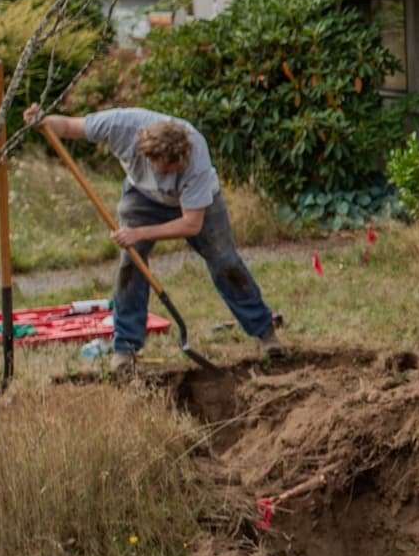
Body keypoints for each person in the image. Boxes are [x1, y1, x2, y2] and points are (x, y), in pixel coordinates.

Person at [23, 104, 281, 373]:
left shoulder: (196, 153)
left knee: (224, 260)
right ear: (147, 156)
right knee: (130, 266)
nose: (171, 174)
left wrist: (138, 233)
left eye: (176, 168)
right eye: (166, 169)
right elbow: (67, 126)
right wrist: (42, 121)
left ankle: (264, 332)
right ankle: (126, 348)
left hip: (198, 204)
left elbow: (191, 224)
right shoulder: (118, 125)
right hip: (142, 197)